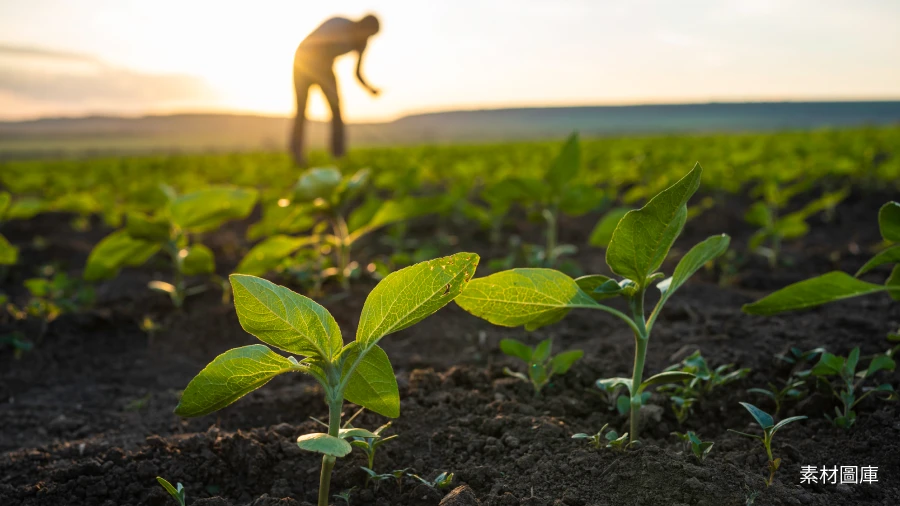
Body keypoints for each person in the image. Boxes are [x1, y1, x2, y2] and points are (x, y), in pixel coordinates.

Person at [291, 14, 380, 167]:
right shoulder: (339, 25)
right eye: (368, 32)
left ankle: (337, 154)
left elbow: (357, 73)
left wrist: (369, 88)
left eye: (370, 35)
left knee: (337, 109)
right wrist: (325, 79)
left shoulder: (361, 43)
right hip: (303, 61)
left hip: (325, 66)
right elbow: (317, 48)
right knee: (302, 109)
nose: (367, 37)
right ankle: (297, 154)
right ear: (362, 24)